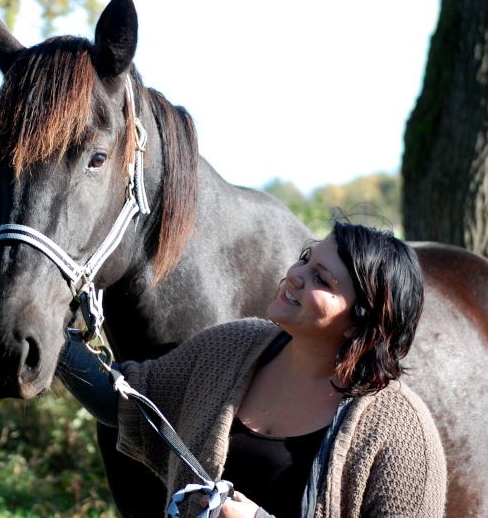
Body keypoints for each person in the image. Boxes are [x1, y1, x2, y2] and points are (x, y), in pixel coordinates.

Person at [57, 219, 447, 517]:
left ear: (362, 320)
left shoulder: (402, 433)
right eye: (306, 259)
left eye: (321, 279)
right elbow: (128, 403)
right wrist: (45, 335)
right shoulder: (233, 347)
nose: (295, 274)